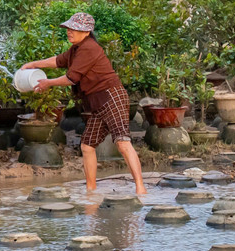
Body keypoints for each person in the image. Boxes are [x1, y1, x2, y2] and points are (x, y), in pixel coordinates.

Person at [19, 12, 147, 195]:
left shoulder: (89, 48)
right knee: (87, 146)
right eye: (69, 28)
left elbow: (71, 78)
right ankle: (91, 189)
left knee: (122, 142)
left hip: (112, 97)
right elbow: (57, 61)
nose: (69, 32)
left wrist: (48, 83)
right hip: (96, 103)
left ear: (86, 32)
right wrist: (33, 65)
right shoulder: (76, 49)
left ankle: (140, 188)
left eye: (74, 29)